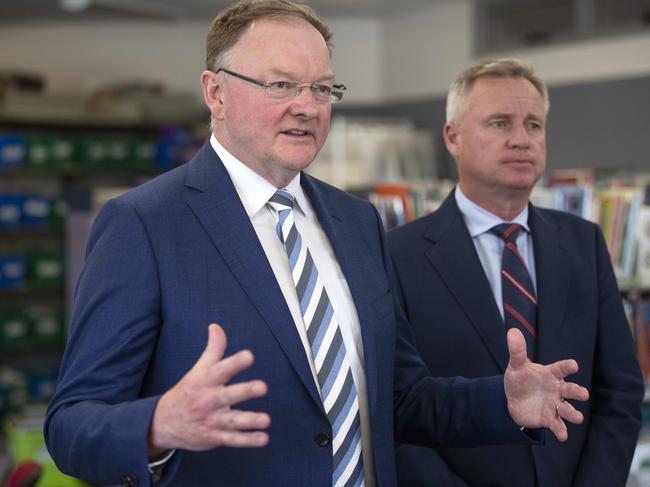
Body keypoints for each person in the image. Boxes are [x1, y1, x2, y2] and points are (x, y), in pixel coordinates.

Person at [44, 4, 589, 486]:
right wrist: (158, 424)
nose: (307, 106)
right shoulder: (144, 223)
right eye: (280, 85)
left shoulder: (357, 222)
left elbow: (398, 397)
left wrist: (502, 401)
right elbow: (70, 424)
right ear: (216, 92)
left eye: (322, 88)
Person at [389, 58, 644, 487]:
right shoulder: (397, 253)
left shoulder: (584, 242)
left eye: (533, 125)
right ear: (452, 137)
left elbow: (619, 393)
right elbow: (395, 406)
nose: (520, 140)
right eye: (499, 123)